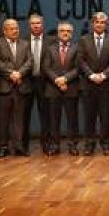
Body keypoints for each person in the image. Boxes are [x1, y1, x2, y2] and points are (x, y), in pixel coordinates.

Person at [77, 11, 109, 155]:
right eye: (97, 22)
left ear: (106, 24)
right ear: (93, 24)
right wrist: (91, 75)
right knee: (89, 116)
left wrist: (104, 75)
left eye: (102, 22)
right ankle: (89, 144)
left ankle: (106, 144)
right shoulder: (83, 40)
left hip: (107, 85)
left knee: (105, 116)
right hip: (89, 85)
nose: (100, 24)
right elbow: (81, 61)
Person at [0, 18, 32, 157]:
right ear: (5, 31)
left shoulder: (25, 44)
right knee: (3, 120)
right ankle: (3, 147)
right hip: (4, 87)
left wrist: (20, 73)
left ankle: (19, 146)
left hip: (21, 87)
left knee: (19, 119)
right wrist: (11, 74)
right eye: (12, 28)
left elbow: (30, 61)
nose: (15, 30)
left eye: (16, 28)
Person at [41, 21, 81, 156]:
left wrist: (65, 79)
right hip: (53, 88)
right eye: (63, 31)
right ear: (58, 33)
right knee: (53, 120)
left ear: (72, 33)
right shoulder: (49, 48)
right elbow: (46, 67)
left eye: (68, 31)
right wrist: (57, 80)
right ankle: (55, 145)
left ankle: (73, 145)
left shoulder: (77, 48)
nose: (65, 33)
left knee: (72, 119)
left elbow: (78, 68)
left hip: (71, 88)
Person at [22, 14, 52, 155]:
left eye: (38, 23)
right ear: (29, 25)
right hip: (26, 81)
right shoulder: (23, 41)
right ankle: (23, 146)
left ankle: (46, 145)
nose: (35, 25)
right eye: (33, 23)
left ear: (42, 24)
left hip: (44, 82)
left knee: (45, 116)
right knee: (24, 116)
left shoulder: (51, 41)